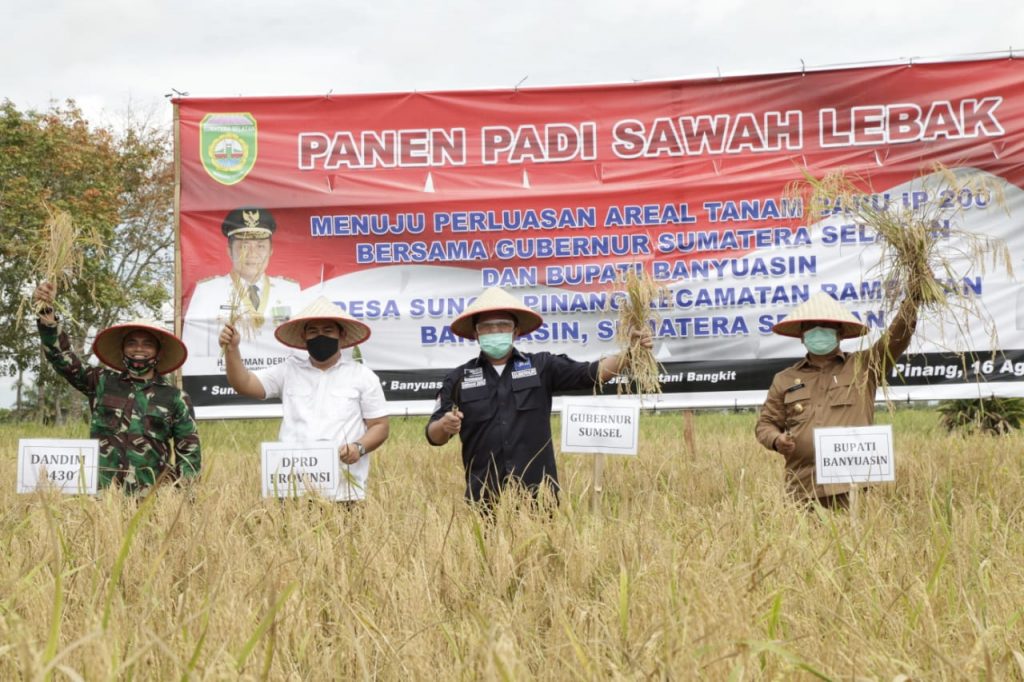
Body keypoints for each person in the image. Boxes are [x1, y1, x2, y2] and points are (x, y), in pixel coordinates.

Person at [426, 286, 653, 505]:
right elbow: (434, 435)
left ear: (515, 332)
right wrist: (445, 426)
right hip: (484, 500)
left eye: (503, 326)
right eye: (487, 327)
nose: (495, 331)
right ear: (476, 334)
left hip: (538, 499)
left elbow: (592, 374)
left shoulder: (542, 366)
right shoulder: (458, 379)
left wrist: (630, 353)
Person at [755, 290, 919, 509]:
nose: (818, 330)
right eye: (811, 326)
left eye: (826, 325)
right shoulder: (784, 379)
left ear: (840, 333)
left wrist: (913, 299)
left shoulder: (865, 366)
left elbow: (897, 337)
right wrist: (776, 440)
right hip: (803, 489)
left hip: (853, 489)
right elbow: (765, 424)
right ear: (802, 335)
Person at [34, 282, 201, 494]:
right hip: (101, 501)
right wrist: (46, 311)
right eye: (132, 343)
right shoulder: (101, 381)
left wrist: (185, 504)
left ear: (158, 353)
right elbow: (62, 357)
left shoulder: (175, 398)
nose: (139, 348)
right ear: (123, 349)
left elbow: (189, 455)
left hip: (152, 503)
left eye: (147, 344)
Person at [219, 296, 389, 502]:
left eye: (328, 331)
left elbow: (380, 426)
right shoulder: (288, 371)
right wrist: (232, 349)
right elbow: (244, 383)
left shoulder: (363, 376)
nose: (320, 337)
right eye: (313, 332)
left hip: (344, 490)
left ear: (341, 335)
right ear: (304, 337)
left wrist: (358, 448)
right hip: (293, 487)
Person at [182, 207, 301, 362]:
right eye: (244, 246)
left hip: (280, 382)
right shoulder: (208, 291)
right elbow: (194, 351)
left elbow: (301, 348)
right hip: (224, 381)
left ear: (271, 250)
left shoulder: (289, 290)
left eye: (260, 246)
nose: (252, 253)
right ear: (229, 251)